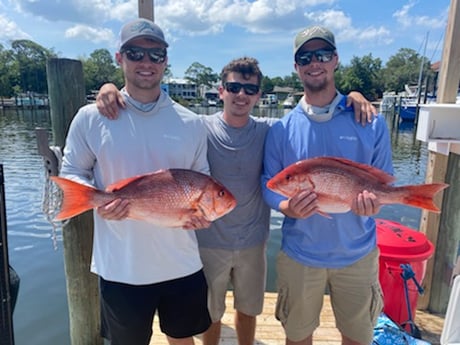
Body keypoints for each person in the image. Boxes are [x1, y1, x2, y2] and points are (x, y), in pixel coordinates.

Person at [97, 59, 376, 345]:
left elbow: (309, 118)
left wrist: (352, 97)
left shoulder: (269, 129)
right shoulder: (198, 127)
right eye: (233, 87)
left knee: (249, 309)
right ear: (221, 91)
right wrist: (111, 88)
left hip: (253, 241)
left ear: (258, 95)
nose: (241, 95)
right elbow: (157, 123)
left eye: (249, 89)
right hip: (209, 239)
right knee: (211, 313)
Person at [59, 18, 212, 345]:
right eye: (135, 53)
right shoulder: (92, 117)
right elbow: (72, 170)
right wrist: (96, 202)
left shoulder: (193, 122)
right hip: (121, 268)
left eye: (155, 54)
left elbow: (203, 181)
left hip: (181, 264)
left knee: (184, 339)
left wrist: (203, 215)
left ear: (166, 61)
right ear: (119, 58)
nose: (146, 62)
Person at [261, 25, 394, 345]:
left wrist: (376, 202)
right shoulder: (281, 129)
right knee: (297, 336)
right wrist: (286, 206)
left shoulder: (370, 120)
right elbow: (268, 183)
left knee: (359, 337)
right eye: (305, 57)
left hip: (358, 255)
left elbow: (386, 180)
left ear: (335, 59)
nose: (314, 62)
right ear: (296, 67)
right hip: (300, 256)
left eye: (322, 54)